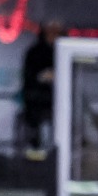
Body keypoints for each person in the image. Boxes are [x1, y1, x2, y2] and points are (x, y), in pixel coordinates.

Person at [21, 19, 63, 150]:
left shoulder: (62, 52)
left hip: (58, 103)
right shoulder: (34, 53)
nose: (53, 36)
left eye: (56, 33)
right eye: (51, 32)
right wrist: (43, 77)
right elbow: (29, 77)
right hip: (36, 101)